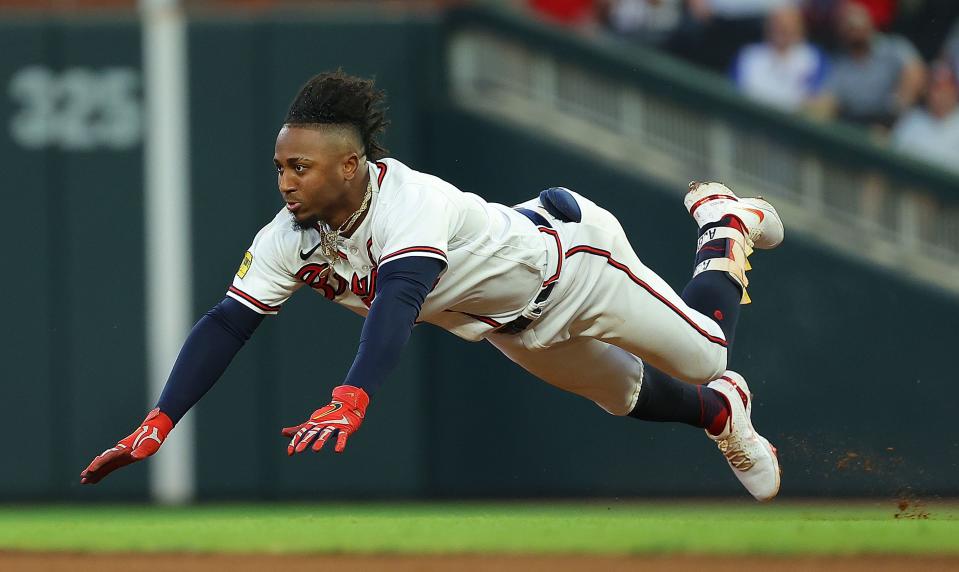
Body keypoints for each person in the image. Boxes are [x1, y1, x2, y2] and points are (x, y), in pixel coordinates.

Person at [80, 71, 784, 501]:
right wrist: (159, 421)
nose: (286, 180)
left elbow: (400, 298)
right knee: (623, 395)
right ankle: (723, 418)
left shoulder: (408, 202)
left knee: (706, 355)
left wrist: (350, 398)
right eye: (280, 166)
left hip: (574, 265)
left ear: (352, 166)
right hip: (509, 327)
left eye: (302, 166)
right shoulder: (284, 237)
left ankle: (723, 221)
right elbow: (227, 323)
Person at [809, 1, 925, 129]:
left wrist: (891, 120)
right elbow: (828, 99)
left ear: (869, 24)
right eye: (849, 26)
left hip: (894, 121)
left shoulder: (893, 47)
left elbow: (916, 73)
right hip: (855, 124)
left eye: (858, 25)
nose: (854, 31)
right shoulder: (840, 64)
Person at [732, 3, 829, 112]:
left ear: (800, 28)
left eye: (788, 26)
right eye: (777, 24)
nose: (782, 29)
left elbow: (814, 98)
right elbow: (735, 93)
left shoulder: (814, 57)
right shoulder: (749, 55)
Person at [891, 60, 959, 172]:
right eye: (936, 88)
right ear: (927, 90)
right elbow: (894, 157)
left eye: (946, 88)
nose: (940, 94)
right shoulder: (912, 120)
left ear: (955, 91)